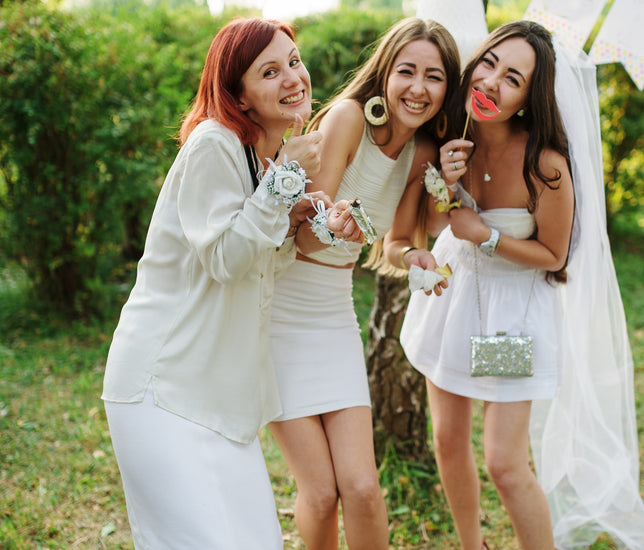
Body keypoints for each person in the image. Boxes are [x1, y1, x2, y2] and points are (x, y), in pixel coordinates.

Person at [101, 17, 349, 549]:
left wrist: (308, 219)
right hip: (164, 388)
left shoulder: (258, 156)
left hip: (218, 398)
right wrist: (284, 181)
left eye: (294, 61)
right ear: (237, 93)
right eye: (270, 71)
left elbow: (259, 267)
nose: (293, 78)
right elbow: (225, 260)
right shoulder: (214, 143)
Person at [267, 17, 460, 550]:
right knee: (323, 493)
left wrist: (415, 254)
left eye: (434, 77)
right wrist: (332, 225)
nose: (418, 89)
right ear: (385, 72)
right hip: (276, 312)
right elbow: (303, 241)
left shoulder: (421, 152)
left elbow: (393, 244)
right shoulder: (350, 118)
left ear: (447, 89)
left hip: (333, 318)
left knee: (363, 489)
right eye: (407, 71)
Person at [388, 21, 575, 550]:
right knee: (448, 441)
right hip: (455, 303)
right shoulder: (447, 136)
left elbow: (554, 254)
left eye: (512, 78)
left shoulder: (545, 163)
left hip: (510, 316)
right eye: (489, 64)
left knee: (504, 463)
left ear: (526, 98)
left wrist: (487, 235)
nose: (492, 82)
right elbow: (425, 224)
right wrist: (444, 186)